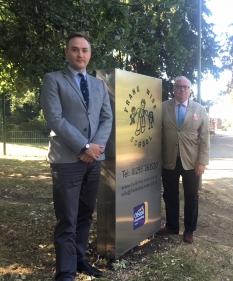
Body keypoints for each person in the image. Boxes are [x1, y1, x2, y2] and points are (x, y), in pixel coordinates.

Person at [41, 32, 113, 280]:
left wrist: (95, 149)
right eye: (75, 49)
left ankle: (80, 260)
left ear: (90, 54)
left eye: (84, 50)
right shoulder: (53, 80)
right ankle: (65, 272)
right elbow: (55, 119)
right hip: (66, 161)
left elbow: (107, 118)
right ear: (67, 52)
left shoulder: (98, 85)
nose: (80, 54)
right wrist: (84, 147)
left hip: (94, 161)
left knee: (84, 214)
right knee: (66, 219)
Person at [157, 76, 210, 243]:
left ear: (190, 90)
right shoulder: (163, 107)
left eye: (185, 87)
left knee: (191, 197)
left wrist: (202, 162)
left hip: (191, 161)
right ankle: (172, 226)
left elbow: (204, 138)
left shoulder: (200, 109)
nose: (182, 89)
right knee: (170, 195)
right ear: (173, 88)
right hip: (169, 159)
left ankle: (189, 230)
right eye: (179, 86)